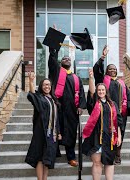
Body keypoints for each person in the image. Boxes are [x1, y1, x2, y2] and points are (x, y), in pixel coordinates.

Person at [47, 25, 87, 167]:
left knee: (70, 133)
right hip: (57, 108)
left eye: (68, 58)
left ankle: (71, 157)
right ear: (61, 62)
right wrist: (55, 36)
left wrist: (81, 106)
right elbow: (52, 58)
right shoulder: (57, 71)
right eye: (64, 58)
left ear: (71, 63)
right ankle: (53, 154)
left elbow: (81, 94)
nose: (66, 59)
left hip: (71, 110)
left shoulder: (76, 78)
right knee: (54, 131)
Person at [93, 45, 130, 165]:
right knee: (106, 133)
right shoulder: (103, 80)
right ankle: (106, 153)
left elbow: (128, 96)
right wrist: (102, 57)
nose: (113, 71)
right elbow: (97, 71)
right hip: (106, 112)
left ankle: (117, 154)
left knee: (120, 132)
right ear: (107, 71)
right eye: (110, 69)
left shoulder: (121, 82)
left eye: (114, 69)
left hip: (120, 114)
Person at [82, 68, 122, 180]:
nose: (100, 92)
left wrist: (119, 135)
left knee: (109, 161)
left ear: (106, 91)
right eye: (99, 90)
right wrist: (91, 78)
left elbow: (118, 122)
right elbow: (91, 91)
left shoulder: (113, 104)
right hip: (96, 136)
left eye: (102, 90)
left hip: (110, 136)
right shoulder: (95, 103)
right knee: (97, 162)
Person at [25, 71, 61, 180]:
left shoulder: (53, 99)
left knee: (47, 158)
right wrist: (31, 81)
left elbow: (56, 118)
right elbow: (32, 96)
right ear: (41, 86)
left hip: (51, 133)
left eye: (49, 85)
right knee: (40, 158)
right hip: (41, 132)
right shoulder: (40, 98)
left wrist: (58, 132)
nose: (47, 86)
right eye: (45, 85)